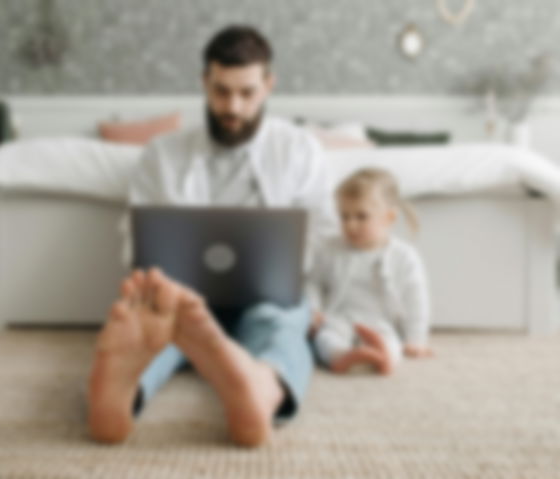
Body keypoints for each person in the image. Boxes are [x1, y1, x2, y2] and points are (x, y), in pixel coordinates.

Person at [87, 25, 335, 447]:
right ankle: (124, 397)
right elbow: (135, 239)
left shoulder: (300, 150)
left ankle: (261, 387)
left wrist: (300, 282)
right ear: (204, 81)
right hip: (181, 299)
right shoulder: (161, 154)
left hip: (267, 295)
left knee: (279, 323)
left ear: (269, 86)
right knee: (160, 328)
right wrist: (155, 282)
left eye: (247, 93)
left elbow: (323, 236)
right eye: (221, 91)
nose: (232, 106)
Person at [308, 168, 433, 375]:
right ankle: (341, 357)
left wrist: (416, 340)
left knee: (392, 344)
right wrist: (314, 309)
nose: (350, 224)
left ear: (389, 217)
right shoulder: (330, 249)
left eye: (361, 216)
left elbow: (416, 301)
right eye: (344, 216)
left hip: (381, 322)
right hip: (339, 317)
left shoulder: (403, 257)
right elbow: (312, 282)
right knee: (325, 339)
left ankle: (381, 357)